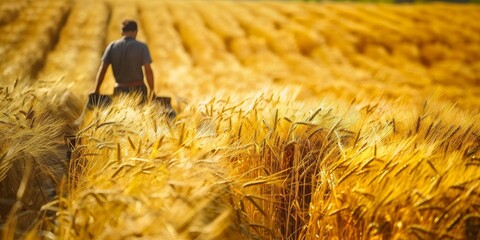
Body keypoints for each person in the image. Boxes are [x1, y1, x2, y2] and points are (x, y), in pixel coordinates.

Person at [92, 19, 154, 101]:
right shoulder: (142, 47)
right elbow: (148, 71)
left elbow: (102, 69)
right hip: (139, 90)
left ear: (122, 32)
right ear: (136, 32)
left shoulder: (112, 46)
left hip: (120, 89)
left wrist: (96, 89)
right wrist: (152, 90)